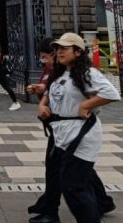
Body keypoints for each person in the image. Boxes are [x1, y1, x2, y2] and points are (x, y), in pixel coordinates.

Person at [29, 34, 116, 223]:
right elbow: (53, 95)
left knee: (74, 187)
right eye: (58, 48)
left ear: (77, 52)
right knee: (71, 185)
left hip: (81, 134)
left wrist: (86, 105)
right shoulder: (61, 73)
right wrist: (43, 105)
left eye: (64, 48)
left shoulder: (87, 73)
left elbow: (111, 93)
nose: (59, 51)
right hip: (62, 133)